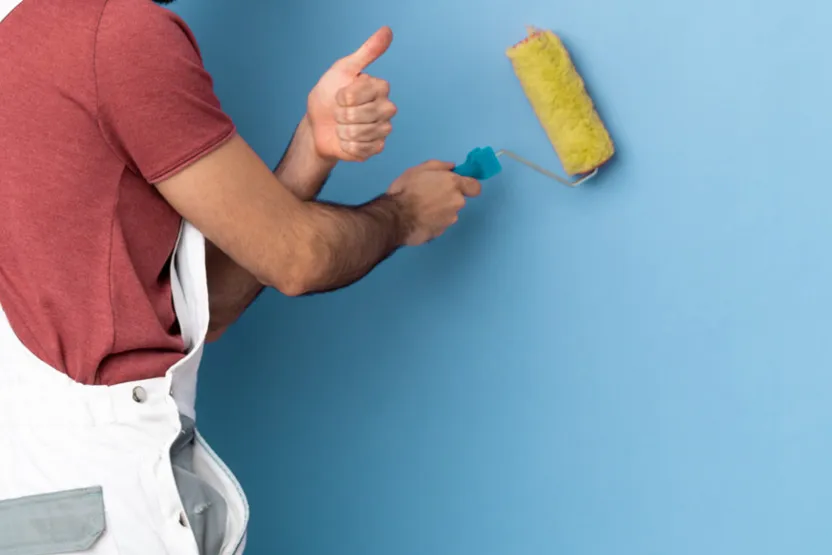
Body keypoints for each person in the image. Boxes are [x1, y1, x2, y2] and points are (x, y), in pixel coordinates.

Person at [0, 0, 481, 553]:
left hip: (29, 504)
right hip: (107, 512)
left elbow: (208, 309)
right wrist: (405, 214)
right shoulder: (109, 34)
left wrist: (312, 147)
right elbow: (298, 259)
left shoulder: (22, 39)